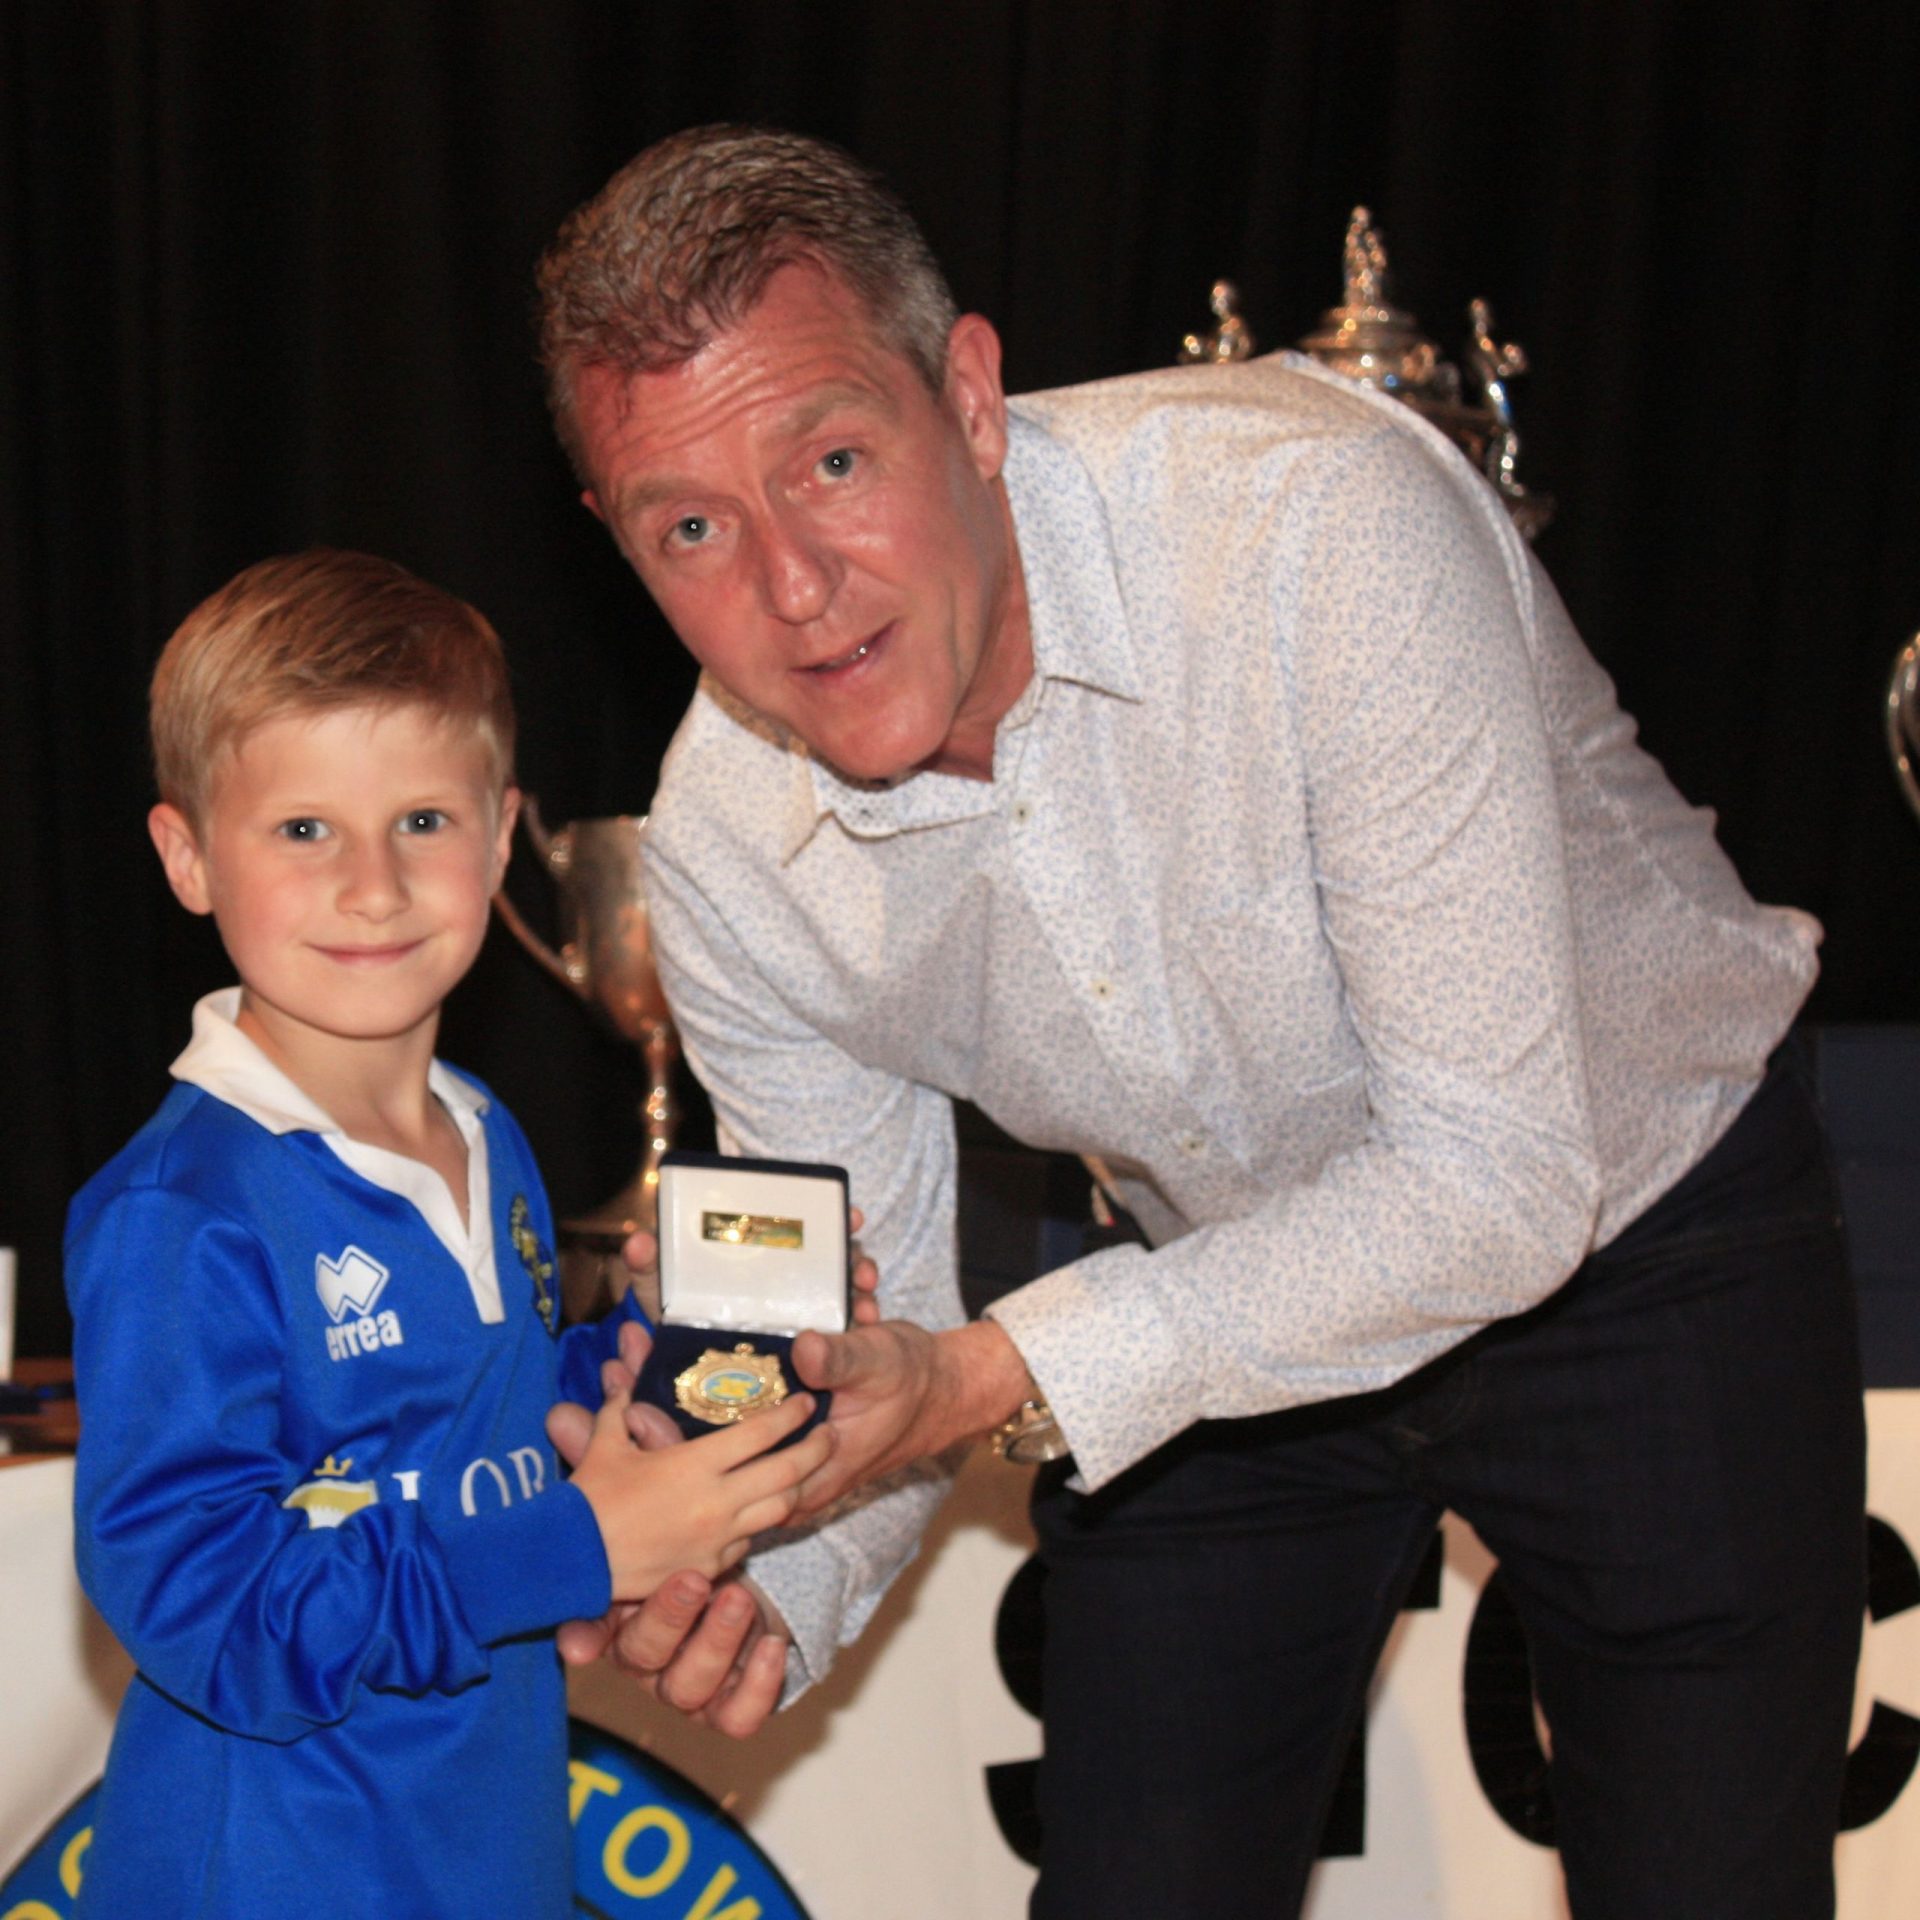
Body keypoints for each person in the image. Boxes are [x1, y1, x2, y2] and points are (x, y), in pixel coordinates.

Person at [535, 126, 1866, 1917]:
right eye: (691, 527)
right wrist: (767, 1577)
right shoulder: (725, 841)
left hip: (1643, 1231)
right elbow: (871, 1315)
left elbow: (1493, 1181)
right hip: (1222, 1297)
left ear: (973, 398)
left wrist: (989, 1376)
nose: (790, 585)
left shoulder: (1316, 525)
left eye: (832, 461)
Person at [64, 550, 831, 1919]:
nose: (374, 885)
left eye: (422, 819)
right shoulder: (181, 1214)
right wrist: (576, 1551)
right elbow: (208, 1608)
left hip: (484, 1851)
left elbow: (485, 1421)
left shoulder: (485, 1134)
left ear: (501, 832)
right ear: (188, 858)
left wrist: (678, 1353)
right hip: (274, 1879)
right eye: (305, 830)